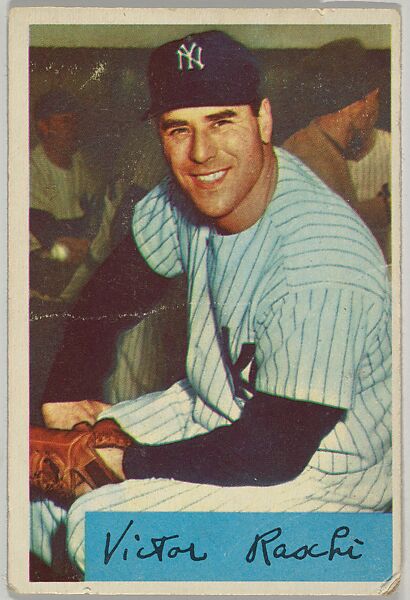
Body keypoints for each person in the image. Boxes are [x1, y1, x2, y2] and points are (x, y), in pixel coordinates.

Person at [30, 31, 392, 576]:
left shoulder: (318, 256)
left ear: (262, 119)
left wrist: (130, 462)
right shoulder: (186, 197)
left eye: (222, 122)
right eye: (179, 128)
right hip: (214, 407)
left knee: (101, 529)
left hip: (328, 468)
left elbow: (276, 450)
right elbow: (114, 288)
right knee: (30, 499)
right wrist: (66, 389)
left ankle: (366, 559)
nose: (201, 153)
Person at [282, 39, 391, 262]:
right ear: (361, 103)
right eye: (376, 100)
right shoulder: (311, 158)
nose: (375, 113)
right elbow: (332, 235)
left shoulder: (317, 144)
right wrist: (388, 207)